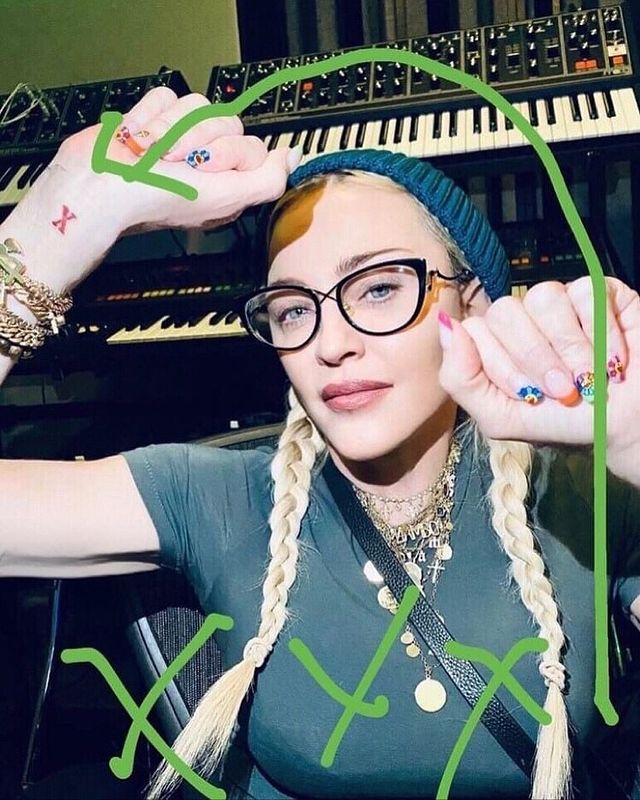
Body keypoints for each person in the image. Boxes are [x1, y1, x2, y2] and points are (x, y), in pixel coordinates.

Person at [1, 87, 639, 800]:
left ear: (474, 303)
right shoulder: (219, 499)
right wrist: (60, 224)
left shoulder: (587, 492)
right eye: (293, 309)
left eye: (379, 289)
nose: (330, 344)